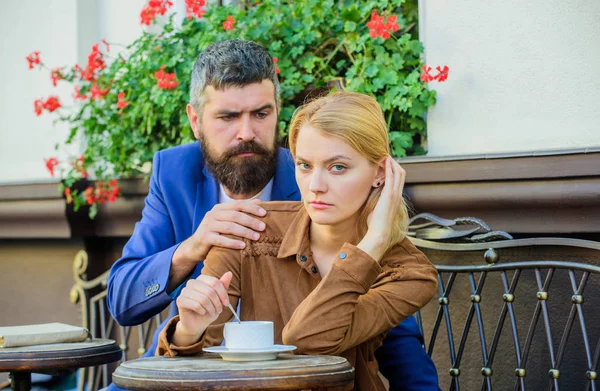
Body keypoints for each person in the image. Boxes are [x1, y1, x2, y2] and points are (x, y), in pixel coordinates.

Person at [107, 40, 440, 390]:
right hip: (186, 364)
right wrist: (194, 246)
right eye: (228, 117)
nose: (247, 132)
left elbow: (394, 334)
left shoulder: (326, 190)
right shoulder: (174, 172)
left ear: (277, 111)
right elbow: (126, 301)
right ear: (195, 120)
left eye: (261, 114)